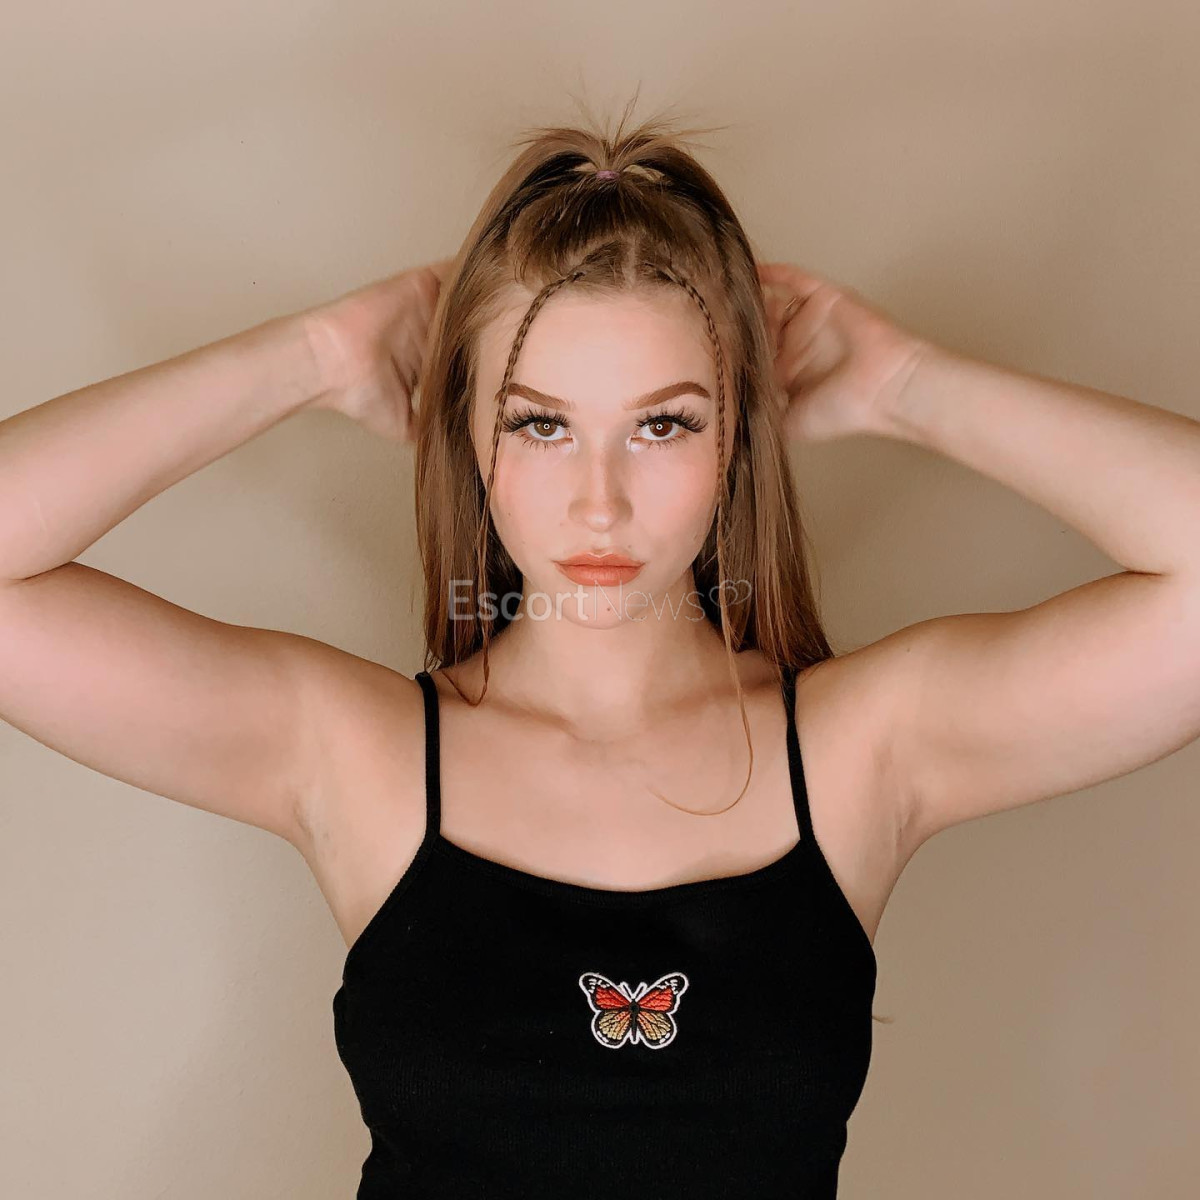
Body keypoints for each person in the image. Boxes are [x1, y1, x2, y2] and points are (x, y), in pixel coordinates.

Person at [2, 107, 1198, 1198]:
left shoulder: (861, 750)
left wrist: (908, 384)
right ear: (464, 432)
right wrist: (313, 354)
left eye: (663, 424)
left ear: (739, 437)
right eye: (540, 423)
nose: (600, 502)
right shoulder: (351, 753)